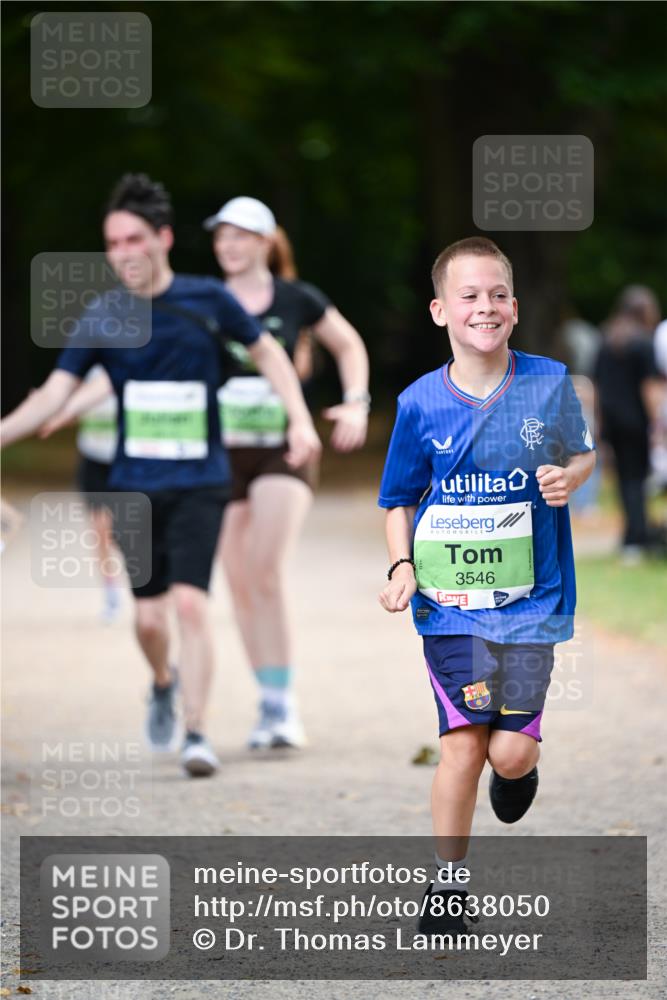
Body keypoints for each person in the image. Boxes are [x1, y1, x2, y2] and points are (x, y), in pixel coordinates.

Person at [0, 174, 320, 778]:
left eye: (134, 239)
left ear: (164, 239)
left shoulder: (208, 301)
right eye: (113, 242)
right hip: (133, 490)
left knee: (194, 607)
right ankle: (163, 680)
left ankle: (197, 732)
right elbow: (53, 397)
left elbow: (271, 353)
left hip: (202, 483)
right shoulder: (102, 316)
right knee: (149, 619)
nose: (123, 253)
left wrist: (300, 420)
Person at [378, 237, 595, 933]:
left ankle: (518, 771)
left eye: (497, 294)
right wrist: (402, 566)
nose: (485, 306)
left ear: (515, 307)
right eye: (468, 296)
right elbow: (397, 498)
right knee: (463, 743)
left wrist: (570, 478)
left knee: (508, 750)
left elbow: (582, 453)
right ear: (441, 310)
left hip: (530, 605)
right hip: (449, 607)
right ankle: (446, 888)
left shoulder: (547, 381)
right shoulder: (418, 403)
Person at [204, 197, 369, 749]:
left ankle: (284, 708)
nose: (227, 245)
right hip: (221, 452)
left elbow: (347, 345)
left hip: (285, 447)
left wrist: (356, 402)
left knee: (265, 568)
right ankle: (268, 699)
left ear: (265, 241)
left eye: (239, 235)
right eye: (220, 236)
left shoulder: (297, 298)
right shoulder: (205, 300)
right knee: (238, 581)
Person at [40, 365, 123, 622]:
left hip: (125, 461)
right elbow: (72, 407)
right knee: (100, 529)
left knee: (128, 530)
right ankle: (111, 591)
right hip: (93, 459)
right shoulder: (87, 364)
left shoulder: (136, 360)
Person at [594, 286, 664, 561]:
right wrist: (658, 424)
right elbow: (649, 388)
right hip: (636, 422)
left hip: (612, 421)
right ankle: (637, 538)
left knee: (623, 481)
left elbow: (597, 385)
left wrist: (599, 423)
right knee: (637, 480)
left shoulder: (606, 339)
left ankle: (629, 535)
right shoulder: (642, 343)